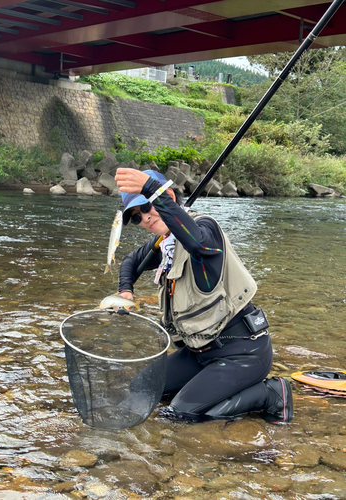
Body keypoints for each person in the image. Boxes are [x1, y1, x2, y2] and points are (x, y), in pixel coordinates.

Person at [114, 167, 294, 424]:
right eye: (136, 216)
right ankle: (209, 387)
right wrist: (125, 291)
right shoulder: (165, 243)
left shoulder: (204, 229)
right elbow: (131, 261)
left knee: (181, 413)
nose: (144, 217)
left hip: (242, 352)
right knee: (141, 390)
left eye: (147, 206)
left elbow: (197, 243)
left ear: (169, 198)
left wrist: (153, 190)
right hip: (199, 351)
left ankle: (271, 393)